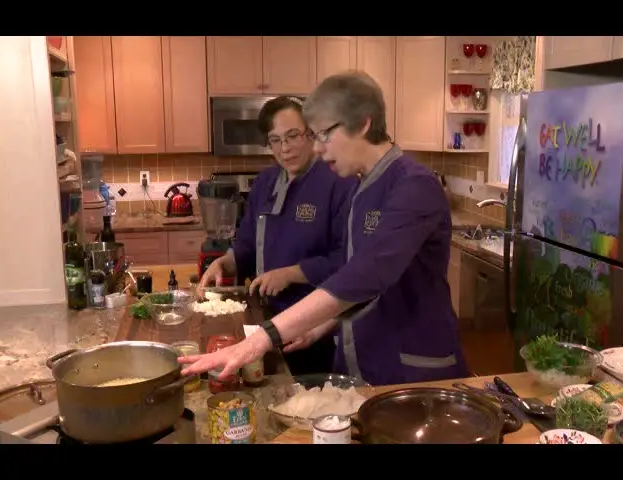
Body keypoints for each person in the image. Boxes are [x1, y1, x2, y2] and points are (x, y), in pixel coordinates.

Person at [181, 72, 469, 386]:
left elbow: (368, 275)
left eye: (324, 135)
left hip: (411, 367)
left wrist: (260, 339)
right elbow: (364, 287)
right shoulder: (362, 186)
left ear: (363, 123)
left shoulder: (414, 185)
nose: (317, 148)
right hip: (364, 358)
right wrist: (322, 324)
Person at [197, 95, 355, 375]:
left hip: (315, 325)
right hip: (264, 318)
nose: (285, 148)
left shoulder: (338, 182)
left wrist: (291, 274)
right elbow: (247, 243)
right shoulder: (265, 183)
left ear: (311, 133)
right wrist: (226, 262)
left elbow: (348, 260)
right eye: (275, 140)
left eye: (293, 136)